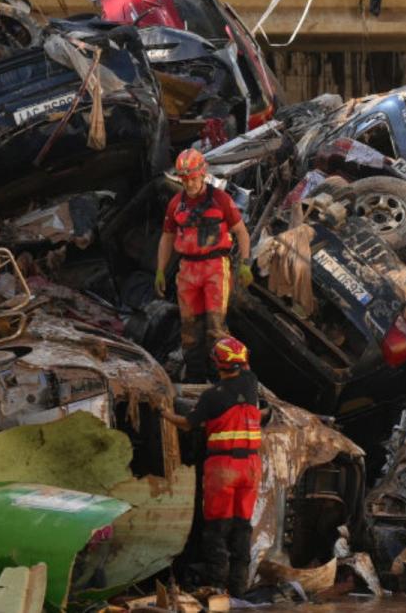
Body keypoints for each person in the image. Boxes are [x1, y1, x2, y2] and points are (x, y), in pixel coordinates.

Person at [161, 336, 262, 597]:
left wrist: (163, 413)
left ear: (217, 364)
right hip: (251, 466)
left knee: (217, 529)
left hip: (223, 467)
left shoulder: (211, 397)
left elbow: (187, 423)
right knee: (242, 526)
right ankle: (239, 587)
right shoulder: (251, 384)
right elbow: (245, 366)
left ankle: (217, 585)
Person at [155, 148, 253, 381]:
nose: (188, 183)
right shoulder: (176, 204)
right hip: (188, 269)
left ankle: (221, 376)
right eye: (184, 179)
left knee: (215, 328)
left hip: (215, 268)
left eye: (192, 178)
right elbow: (167, 237)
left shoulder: (221, 200)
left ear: (202, 173)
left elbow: (241, 232)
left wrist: (245, 264)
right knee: (190, 329)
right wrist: (160, 270)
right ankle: (196, 378)